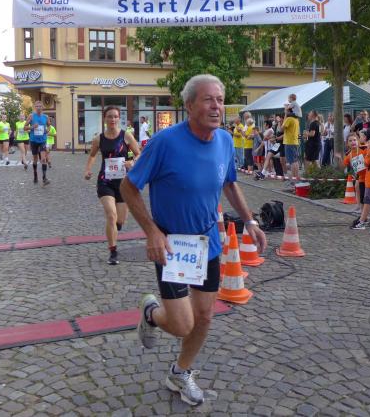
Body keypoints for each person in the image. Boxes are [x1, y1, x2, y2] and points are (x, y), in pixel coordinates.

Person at [120, 74, 267, 407]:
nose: (216, 107)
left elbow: (229, 183)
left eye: (220, 100)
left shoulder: (224, 140)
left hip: (207, 243)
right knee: (182, 324)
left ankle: (180, 372)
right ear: (189, 105)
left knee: (204, 316)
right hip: (172, 245)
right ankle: (151, 313)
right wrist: (152, 231)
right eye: (208, 99)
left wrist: (250, 221)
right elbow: (128, 187)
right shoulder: (164, 142)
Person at [84, 105, 140, 265]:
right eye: (110, 116)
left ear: (119, 118)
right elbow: (92, 155)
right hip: (105, 181)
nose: (113, 119)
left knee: (120, 220)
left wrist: (132, 162)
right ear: (105, 118)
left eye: (115, 116)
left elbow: (139, 154)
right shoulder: (99, 139)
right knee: (111, 215)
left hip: (124, 183)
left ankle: (115, 229)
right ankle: (113, 251)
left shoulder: (126, 136)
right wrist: (88, 170)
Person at [24, 100, 50, 185]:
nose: (38, 108)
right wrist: (32, 127)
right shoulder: (31, 116)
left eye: (40, 106)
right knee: (35, 159)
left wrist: (47, 130)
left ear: (42, 107)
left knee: (43, 159)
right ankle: (35, 175)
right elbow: (24, 127)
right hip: (33, 140)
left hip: (42, 140)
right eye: (37, 106)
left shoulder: (46, 117)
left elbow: (49, 126)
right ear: (35, 107)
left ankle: (44, 178)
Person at [282, 105, 300, 185]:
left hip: (289, 142)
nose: (284, 111)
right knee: (295, 161)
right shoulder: (296, 119)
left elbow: (281, 128)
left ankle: (293, 180)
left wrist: (285, 116)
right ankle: (296, 178)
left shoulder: (289, 119)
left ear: (288, 111)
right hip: (294, 141)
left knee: (292, 162)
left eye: (285, 110)